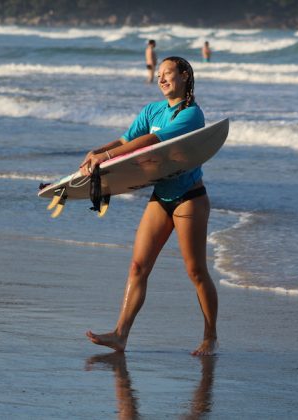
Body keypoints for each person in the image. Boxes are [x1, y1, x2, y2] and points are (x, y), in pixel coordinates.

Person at [80, 57, 218, 356]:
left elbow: (152, 141)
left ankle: (210, 336)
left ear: (184, 76)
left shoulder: (191, 115)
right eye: (159, 75)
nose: (161, 79)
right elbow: (126, 139)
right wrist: (98, 151)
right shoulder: (152, 110)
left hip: (190, 198)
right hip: (162, 196)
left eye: (168, 73)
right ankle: (120, 334)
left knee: (196, 271)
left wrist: (107, 157)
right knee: (138, 266)